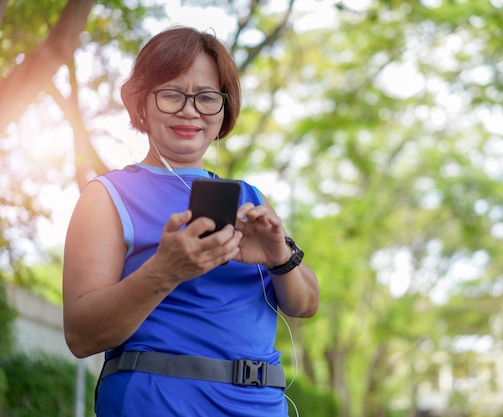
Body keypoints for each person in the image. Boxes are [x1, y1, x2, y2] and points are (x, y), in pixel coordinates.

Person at [62, 26, 320, 417]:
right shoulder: (107, 195)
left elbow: (306, 304)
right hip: (158, 402)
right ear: (140, 104)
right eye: (171, 94)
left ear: (224, 108)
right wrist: (165, 271)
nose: (189, 110)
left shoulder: (249, 198)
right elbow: (81, 335)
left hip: (261, 406)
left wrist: (278, 254)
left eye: (206, 97)